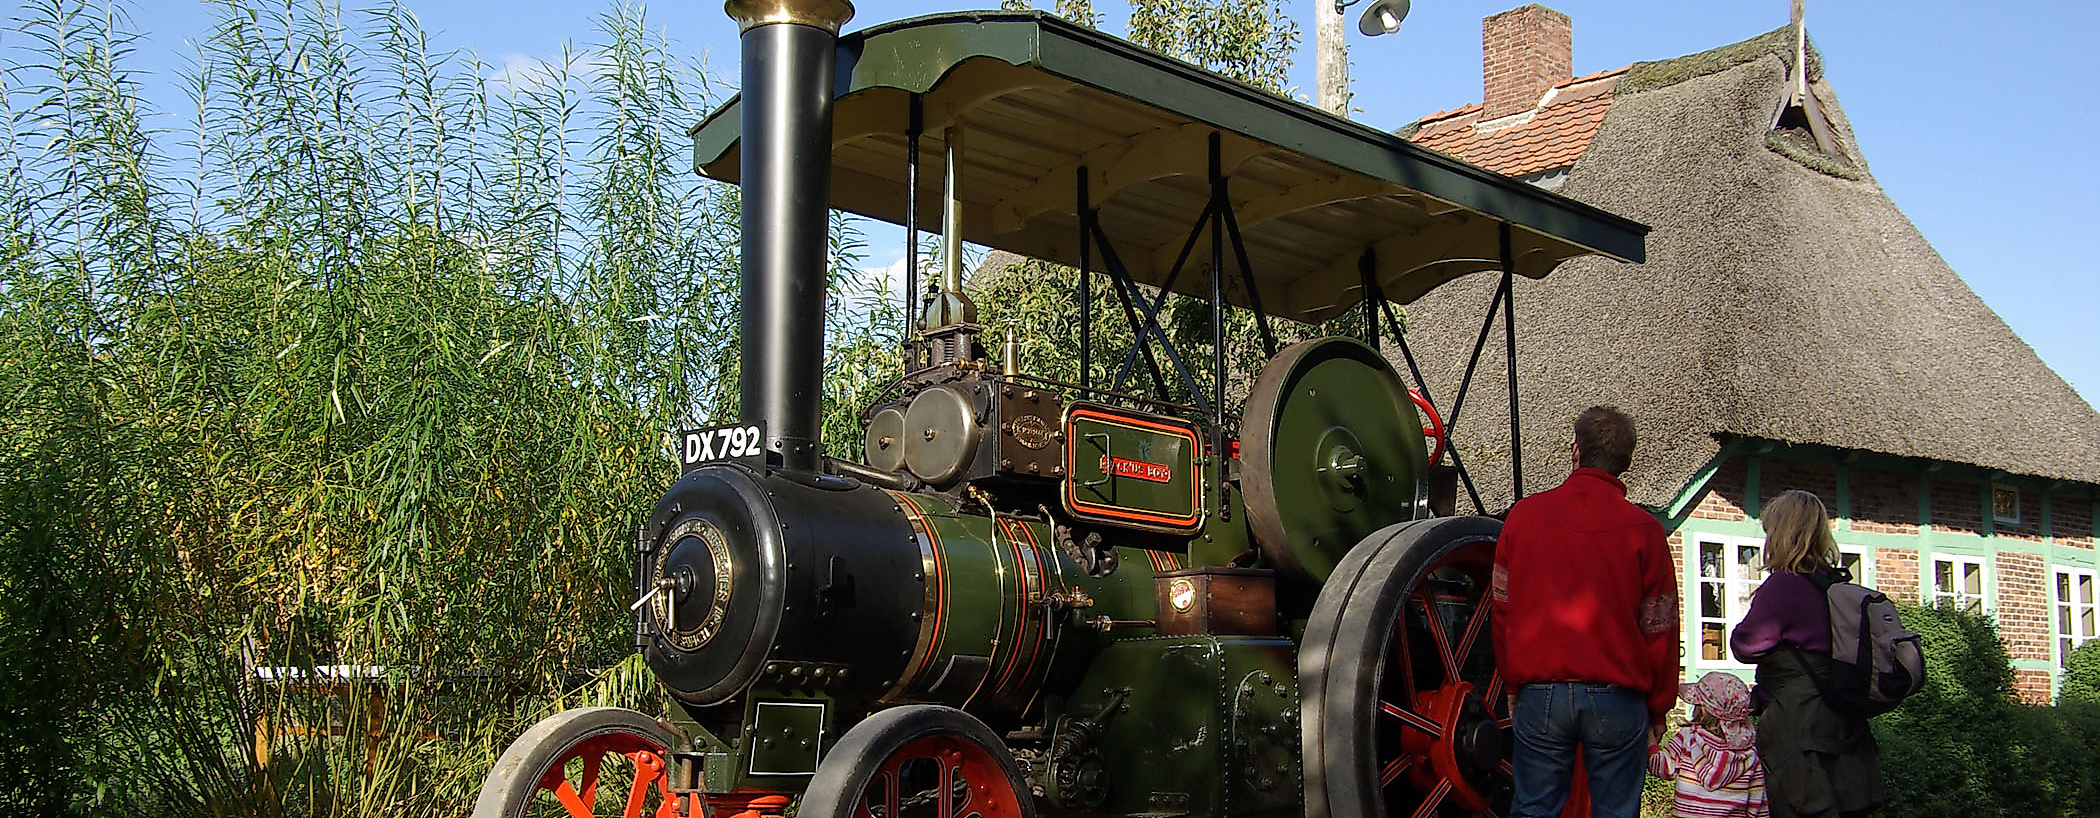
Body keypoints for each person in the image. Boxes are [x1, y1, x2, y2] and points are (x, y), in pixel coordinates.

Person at [1493, 405, 1680, 818]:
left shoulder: (1524, 517)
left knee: (1534, 809)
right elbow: (1660, 627)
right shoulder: (1646, 531)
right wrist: (1659, 707)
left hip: (1541, 690)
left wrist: (1512, 682)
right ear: (1625, 462)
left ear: (1575, 450)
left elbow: (1502, 608)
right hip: (1618, 696)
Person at [1729, 490, 1886, 818]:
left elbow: (1746, 645)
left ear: (1781, 533)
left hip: (1799, 727)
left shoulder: (1783, 586)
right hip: (1842, 722)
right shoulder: (1833, 584)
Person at [1650, 671, 1770, 818]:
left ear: (1703, 709)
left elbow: (1661, 767)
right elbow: (1758, 806)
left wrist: (1650, 739)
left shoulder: (1688, 738)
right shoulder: (1749, 754)